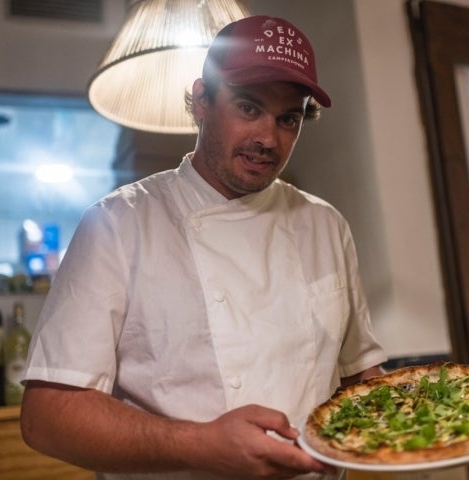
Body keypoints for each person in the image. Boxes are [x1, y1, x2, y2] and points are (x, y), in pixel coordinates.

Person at [20, 15, 387, 480]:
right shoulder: (118, 224)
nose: (267, 139)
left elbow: (361, 378)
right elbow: (47, 417)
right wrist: (200, 445)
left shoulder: (326, 224)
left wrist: (434, 428)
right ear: (201, 101)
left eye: (288, 118)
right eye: (249, 108)